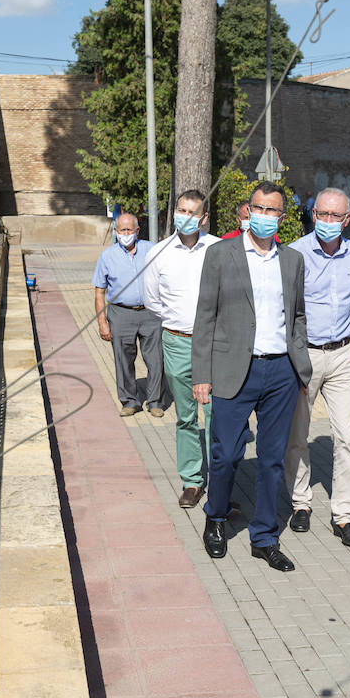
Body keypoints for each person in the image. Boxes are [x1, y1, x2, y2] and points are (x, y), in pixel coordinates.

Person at [193, 181, 312, 572]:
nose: (264, 216)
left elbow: (296, 317)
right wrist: (202, 375)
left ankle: (264, 537)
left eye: (271, 210)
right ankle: (216, 517)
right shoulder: (221, 254)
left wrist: (299, 366)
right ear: (248, 211)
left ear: (281, 216)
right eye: (258, 209)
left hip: (280, 371)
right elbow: (205, 317)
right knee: (226, 454)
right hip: (232, 371)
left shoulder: (292, 260)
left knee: (272, 459)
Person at [285, 188, 350, 547]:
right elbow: (285, 308)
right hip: (305, 355)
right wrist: (293, 356)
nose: (329, 222)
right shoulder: (295, 254)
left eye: (336, 216)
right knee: (297, 435)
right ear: (313, 214)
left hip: (342, 355)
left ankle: (344, 515)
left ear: (347, 219)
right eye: (323, 214)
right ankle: (300, 503)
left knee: (348, 438)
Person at [142, 190, 219, 508]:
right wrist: (180, 323)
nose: (185, 217)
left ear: (203, 218)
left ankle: (219, 480)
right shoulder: (158, 253)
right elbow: (152, 300)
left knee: (217, 413)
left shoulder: (218, 249)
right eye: (180, 210)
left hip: (214, 344)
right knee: (186, 416)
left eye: (193, 212)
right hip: (175, 342)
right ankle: (192, 481)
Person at [92, 212, 164, 418]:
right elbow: (99, 291)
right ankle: (130, 401)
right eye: (121, 230)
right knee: (123, 359)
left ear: (137, 231)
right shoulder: (107, 256)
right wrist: (102, 322)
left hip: (151, 313)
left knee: (156, 359)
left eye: (129, 230)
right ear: (116, 232)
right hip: (120, 313)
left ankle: (156, 401)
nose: (125, 234)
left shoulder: (151, 250)